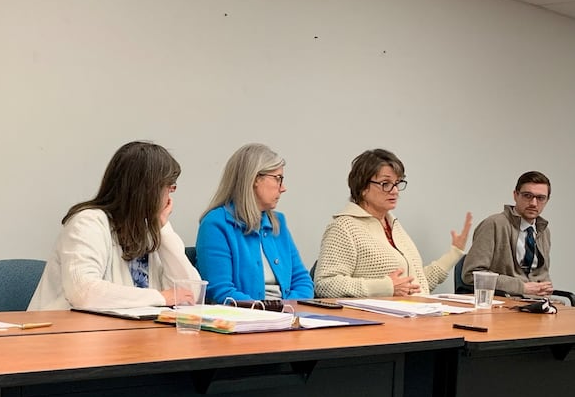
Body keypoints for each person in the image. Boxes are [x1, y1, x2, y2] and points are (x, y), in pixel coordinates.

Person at [28, 141, 200, 310]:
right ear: (148, 190)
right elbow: (83, 292)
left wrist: (164, 229)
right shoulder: (88, 223)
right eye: (169, 187)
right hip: (62, 332)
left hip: (126, 332)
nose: (170, 195)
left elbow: (189, 294)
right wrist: (160, 297)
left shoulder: (149, 230)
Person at [315, 148, 472, 298]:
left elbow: (414, 285)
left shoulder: (393, 224)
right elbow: (325, 284)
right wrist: (385, 287)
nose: (395, 191)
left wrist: (454, 253)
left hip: (416, 314)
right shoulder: (344, 227)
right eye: (386, 183)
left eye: (397, 183)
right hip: (378, 322)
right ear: (363, 187)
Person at [196, 143, 313, 304]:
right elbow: (221, 291)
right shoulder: (215, 224)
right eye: (278, 178)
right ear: (255, 178)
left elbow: (302, 281)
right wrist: (267, 312)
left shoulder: (278, 222)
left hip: (286, 317)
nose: (283, 188)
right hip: (244, 319)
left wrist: (288, 309)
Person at [463, 171, 554, 297]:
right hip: (504, 303)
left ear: (547, 200)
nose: (533, 203)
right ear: (515, 195)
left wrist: (545, 289)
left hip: (537, 302)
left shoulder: (544, 231)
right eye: (527, 195)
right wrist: (520, 287)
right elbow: (471, 274)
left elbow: (542, 274)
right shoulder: (494, 224)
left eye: (540, 198)